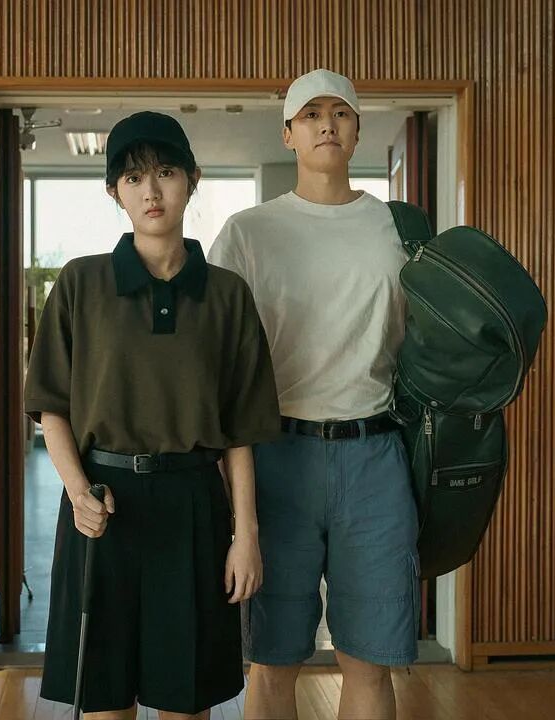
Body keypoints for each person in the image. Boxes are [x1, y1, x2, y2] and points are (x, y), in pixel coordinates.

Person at [24, 111, 281, 720]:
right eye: (134, 178)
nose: (151, 191)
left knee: (185, 702)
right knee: (105, 703)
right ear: (115, 192)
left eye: (165, 172)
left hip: (194, 508)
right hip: (102, 507)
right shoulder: (81, 283)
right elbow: (52, 406)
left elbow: (241, 432)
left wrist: (246, 536)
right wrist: (78, 492)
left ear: (192, 180)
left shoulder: (227, 294)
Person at [208, 69, 419, 720]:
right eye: (311, 114)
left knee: (371, 661)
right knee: (273, 661)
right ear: (288, 134)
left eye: (341, 113)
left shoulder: (400, 229)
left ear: (357, 130)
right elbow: (214, 357)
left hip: (375, 453)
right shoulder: (247, 233)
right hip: (279, 455)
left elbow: (427, 343)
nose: (327, 124)